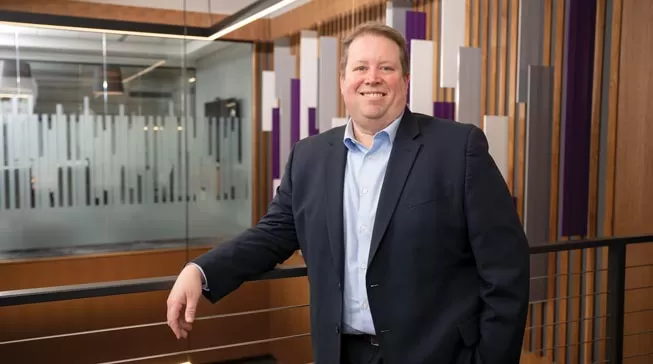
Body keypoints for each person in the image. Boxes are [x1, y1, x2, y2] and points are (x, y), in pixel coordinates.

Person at [166, 22, 530, 364]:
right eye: (360, 68)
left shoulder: (458, 148)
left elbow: (505, 266)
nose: (372, 78)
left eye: (386, 68)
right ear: (342, 82)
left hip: (438, 352)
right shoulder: (307, 156)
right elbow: (272, 234)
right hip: (340, 353)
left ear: (405, 80)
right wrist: (200, 270)